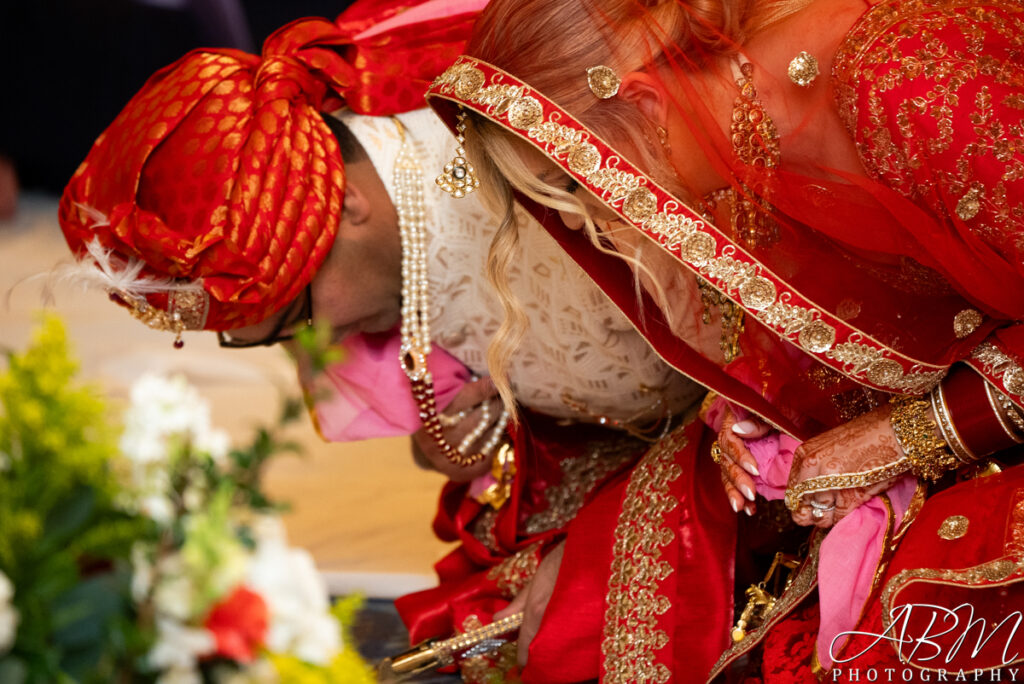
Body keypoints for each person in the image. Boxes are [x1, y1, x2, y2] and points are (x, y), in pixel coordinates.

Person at [54, 0, 710, 680]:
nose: (322, 344)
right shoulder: (387, 257)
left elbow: (754, 349)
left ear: (345, 205)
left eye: (299, 316)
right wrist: (479, 442)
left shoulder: (546, 158)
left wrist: (606, 537)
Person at [424, 0, 1024, 680]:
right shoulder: (733, 139)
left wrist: (908, 435)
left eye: (577, 181)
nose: (596, 219)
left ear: (645, 104)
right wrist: (750, 412)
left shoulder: (902, 79)